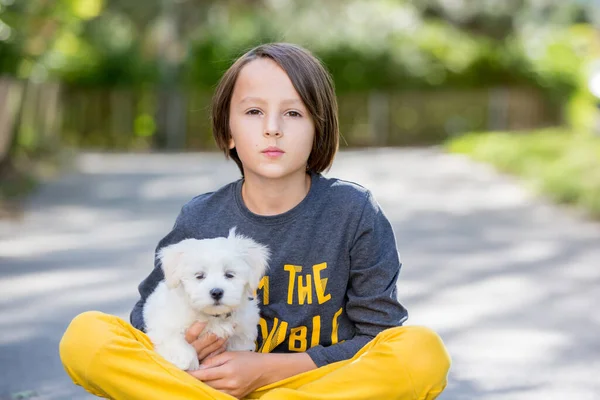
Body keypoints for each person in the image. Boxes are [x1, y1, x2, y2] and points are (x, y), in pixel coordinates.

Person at [59, 42, 451, 400]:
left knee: (421, 352)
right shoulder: (200, 216)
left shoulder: (353, 211)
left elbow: (378, 336)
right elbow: (146, 319)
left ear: (319, 129)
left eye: (293, 112)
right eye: (253, 112)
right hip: (207, 383)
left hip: (316, 385)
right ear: (228, 131)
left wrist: (266, 370)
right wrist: (188, 350)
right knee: (86, 337)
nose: (272, 128)